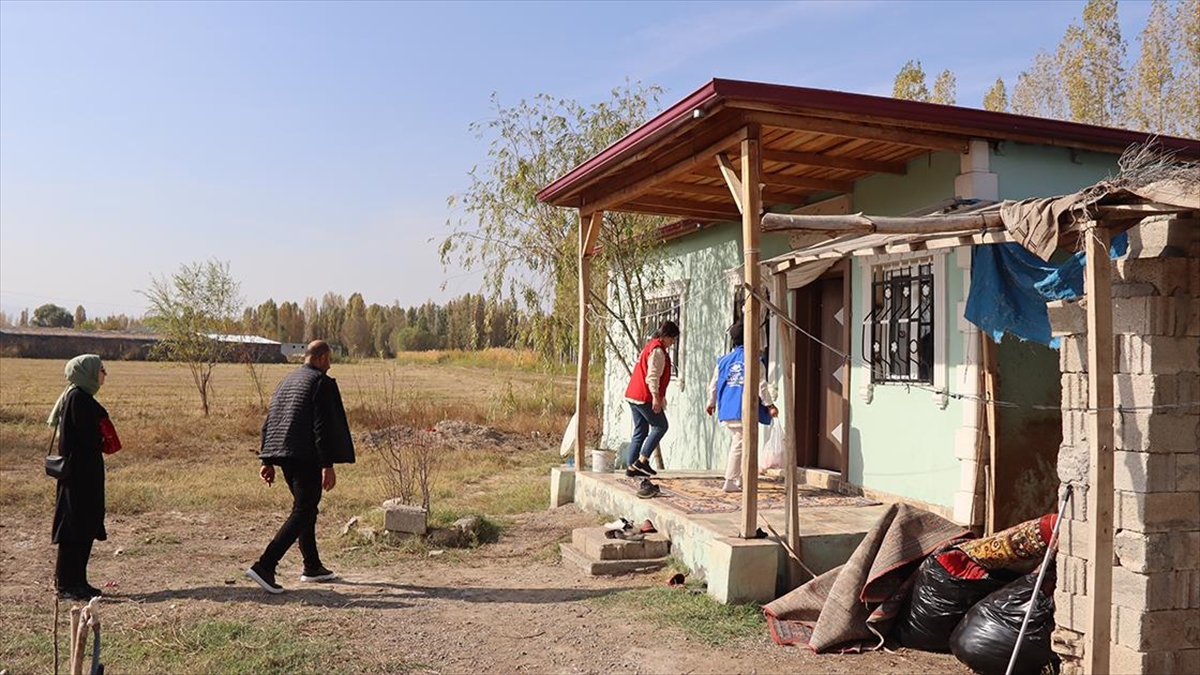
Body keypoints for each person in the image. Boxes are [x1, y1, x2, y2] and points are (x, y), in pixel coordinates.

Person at [246, 340, 355, 594]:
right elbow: (322, 427)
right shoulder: (320, 383)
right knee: (304, 510)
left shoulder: (287, 381)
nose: (330, 364)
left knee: (305, 509)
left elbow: (270, 420)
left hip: (284, 454)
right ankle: (265, 565)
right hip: (305, 455)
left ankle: (312, 566)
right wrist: (327, 465)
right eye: (329, 359)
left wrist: (268, 460)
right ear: (322, 357)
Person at [49, 354, 112, 600]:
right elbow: (86, 439)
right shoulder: (78, 399)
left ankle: (78, 581)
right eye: (101, 369)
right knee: (74, 528)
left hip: (86, 473)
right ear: (87, 373)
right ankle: (66, 584)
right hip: (78, 476)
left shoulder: (82, 397)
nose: (105, 373)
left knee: (86, 525)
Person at [706, 323, 778, 493]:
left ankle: (739, 478)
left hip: (728, 409)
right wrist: (770, 405)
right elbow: (761, 385)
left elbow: (714, 384)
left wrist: (711, 403)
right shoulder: (753, 359)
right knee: (740, 444)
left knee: (741, 443)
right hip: (744, 409)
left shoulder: (723, 361)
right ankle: (730, 480)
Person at [623, 320, 680, 480]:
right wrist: (656, 397)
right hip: (644, 395)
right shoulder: (657, 351)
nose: (673, 342)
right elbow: (652, 376)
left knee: (640, 431)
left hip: (633, 394)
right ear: (666, 336)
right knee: (661, 426)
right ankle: (642, 460)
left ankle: (631, 467)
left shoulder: (650, 346)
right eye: (672, 339)